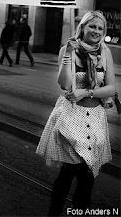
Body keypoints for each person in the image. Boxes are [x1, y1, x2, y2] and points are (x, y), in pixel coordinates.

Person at [36, 11, 116, 216]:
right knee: (68, 172)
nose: (96, 31)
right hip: (72, 116)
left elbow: (111, 89)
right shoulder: (68, 49)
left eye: (100, 28)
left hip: (96, 118)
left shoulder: (104, 52)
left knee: (88, 177)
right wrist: (67, 56)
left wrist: (87, 92)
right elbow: (64, 84)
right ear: (83, 28)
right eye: (92, 27)